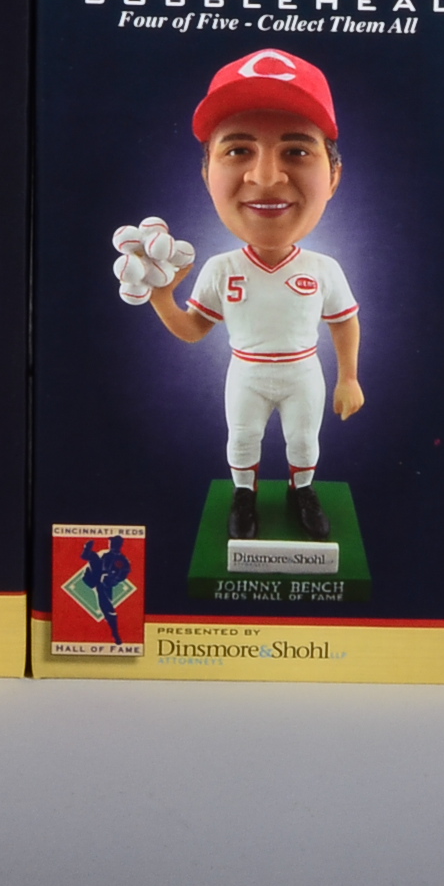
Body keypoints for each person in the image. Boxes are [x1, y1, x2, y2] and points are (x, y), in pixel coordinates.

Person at [120, 49, 362, 543]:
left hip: (302, 369)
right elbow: (194, 330)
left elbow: (343, 320)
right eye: (237, 151)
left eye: (297, 151)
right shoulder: (221, 267)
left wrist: (349, 378)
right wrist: (162, 297)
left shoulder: (322, 268)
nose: (266, 178)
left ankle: (302, 492)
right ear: (206, 172)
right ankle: (244, 496)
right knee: (243, 438)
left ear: (333, 176)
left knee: (304, 439)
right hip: (247, 370)